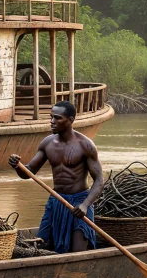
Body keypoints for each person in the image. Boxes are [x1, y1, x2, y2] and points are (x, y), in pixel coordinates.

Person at [9, 101, 103, 254]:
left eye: (57, 118)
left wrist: (85, 205)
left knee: (78, 251)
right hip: (56, 200)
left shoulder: (85, 145)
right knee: (41, 245)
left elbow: (99, 180)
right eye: (51, 117)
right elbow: (29, 172)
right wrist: (17, 166)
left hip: (78, 203)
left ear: (71, 120)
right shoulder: (47, 143)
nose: (52, 122)